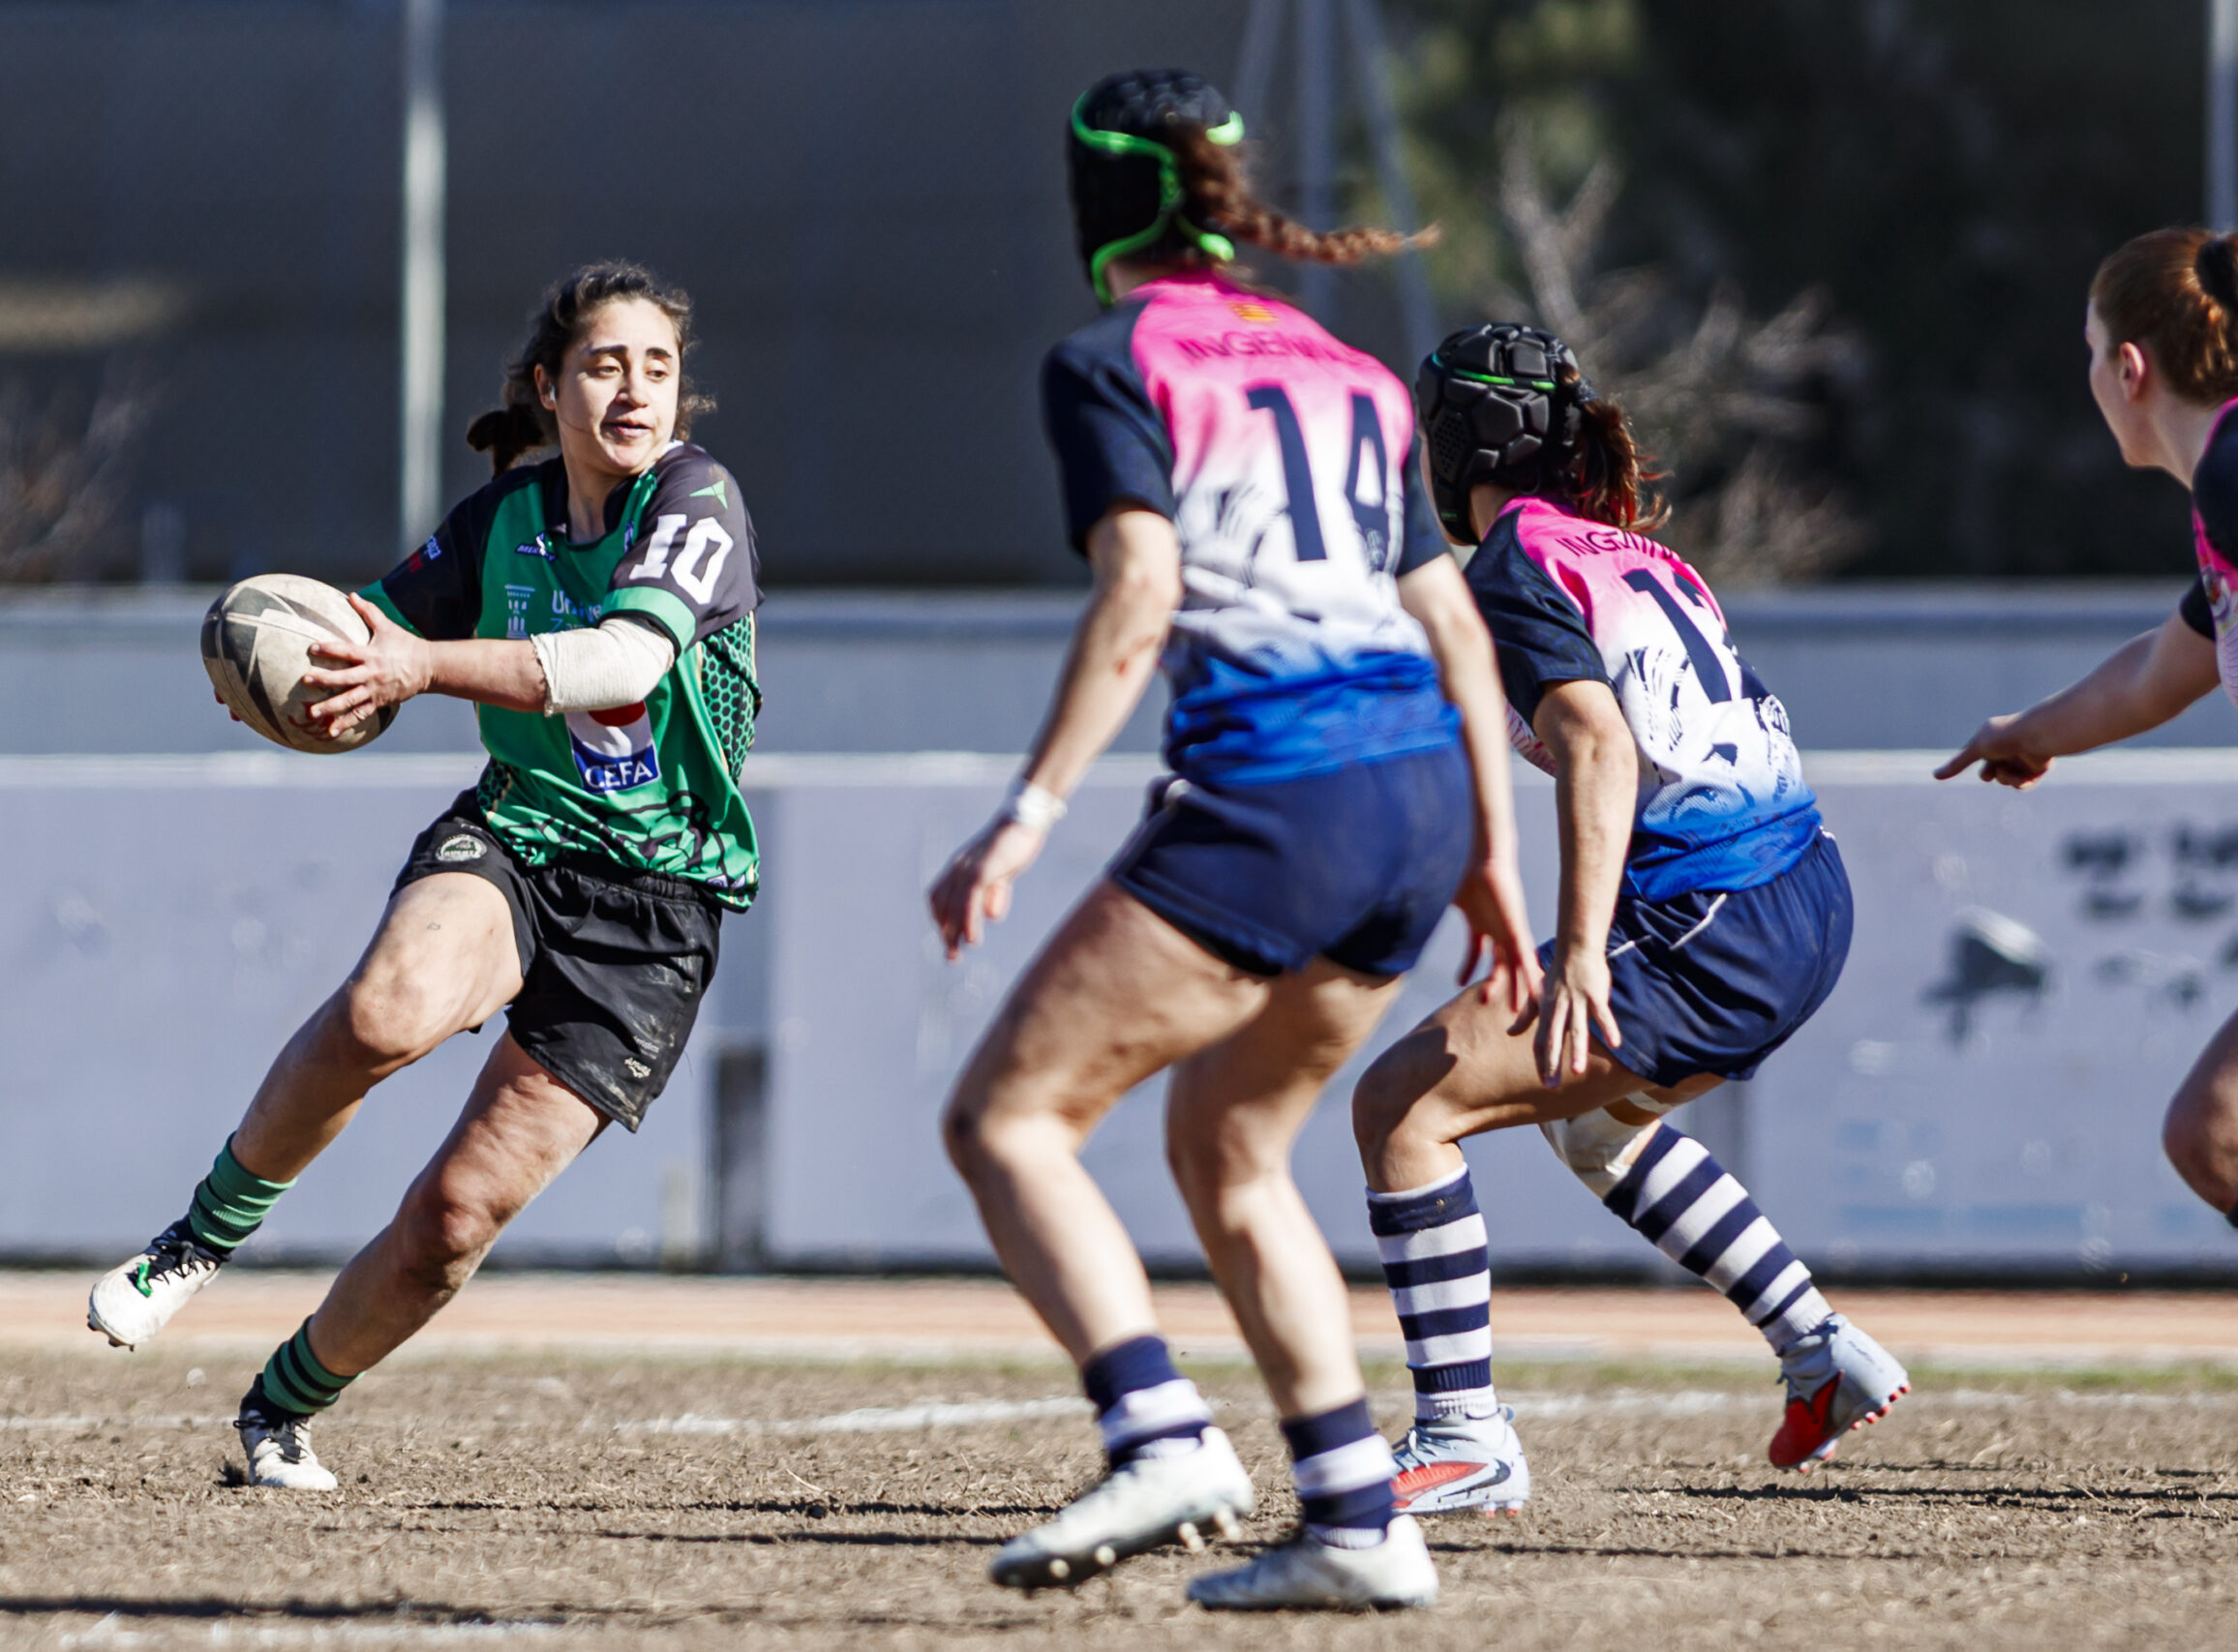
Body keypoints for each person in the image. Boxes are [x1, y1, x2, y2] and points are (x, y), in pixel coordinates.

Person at [930, 71, 1538, 1612]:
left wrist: (1025, 812)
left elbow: (1139, 592)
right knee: (1232, 1144)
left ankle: (1160, 1429)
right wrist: (1495, 864)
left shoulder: (1107, 359)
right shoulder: (1349, 364)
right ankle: (1355, 1513)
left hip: (1284, 789)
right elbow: (1455, 627)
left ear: (1100, 201)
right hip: (1418, 799)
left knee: (1008, 1118)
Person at [85, 261, 762, 1488]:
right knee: (382, 1012)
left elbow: (620, 665)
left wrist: (420, 668)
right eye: (605, 364)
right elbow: (366, 632)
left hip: (658, 917)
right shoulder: (496, 521)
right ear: (550, 387)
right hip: (523, 835)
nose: (634, 389)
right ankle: (193, 1245)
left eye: (656, 368)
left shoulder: (697, 500)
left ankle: (276, 1412)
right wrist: (287, 669)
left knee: (449, 1227)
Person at [1350, 324, 1910, 1515]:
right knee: (1596, 1126)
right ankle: (1821, 1352)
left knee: (1400, 1106)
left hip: (1716, 909)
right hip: (1803, 892)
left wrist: (1580, 959)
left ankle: (1463, 1435)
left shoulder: (1509, 567)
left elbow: (1596, 743)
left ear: (1453, 444)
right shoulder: (1632, 554)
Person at [1938, 225, 2238, 1225]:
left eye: (2086, 353)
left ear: (2130, 367)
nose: (2089, 380)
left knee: (2216, 1131)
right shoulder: (2222, 494)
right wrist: (2030, 730)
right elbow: (2163, 669)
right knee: (2213, 1132)